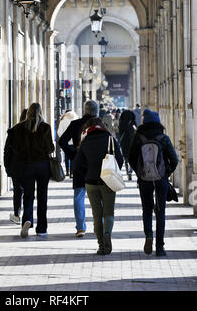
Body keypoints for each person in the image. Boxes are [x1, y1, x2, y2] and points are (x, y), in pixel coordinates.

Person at [128, 109, 178, 256]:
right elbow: (174, 160)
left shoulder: (138, 137)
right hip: (161, 179)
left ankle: (148, 235)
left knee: (147, 209)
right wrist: (165, 173)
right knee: (161, 211)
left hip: (144, 179)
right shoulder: (163, 138)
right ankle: (160, 247)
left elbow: (131, 158)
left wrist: (139, 172)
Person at [73, 117, 123, 255]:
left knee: (96, 215)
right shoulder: (110, 140)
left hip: (91, 182)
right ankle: (107, 233)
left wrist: (87, 172)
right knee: (108, 213)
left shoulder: (85, 142)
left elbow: (77, 165)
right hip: (108, 181)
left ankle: (101, 245)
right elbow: (120, 159)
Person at [4, 103, 54, 238]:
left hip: (26, 166)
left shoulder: (18, 128)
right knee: (42, 197)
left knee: (28, 196)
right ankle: (42, 228)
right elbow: (50, 149)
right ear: (40, 112)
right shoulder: (45, 128)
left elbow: (12, 147)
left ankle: (27, 219)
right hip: (43, 166)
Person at [58, 99, 98, 237]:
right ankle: (100, 225)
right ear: (96, 111)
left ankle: (81, 227)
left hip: (80, 164)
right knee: (98, 196)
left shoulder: (75, 124)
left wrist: (73, 155)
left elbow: (61, 141)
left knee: (79, 196)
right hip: (96, 165)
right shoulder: (100, 125)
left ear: (85, 110)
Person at [4, 108, 28, 224]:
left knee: (17, 191)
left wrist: (7, 166)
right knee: (28, 191)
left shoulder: (13, 131)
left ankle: (17, 214)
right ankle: (27, 215)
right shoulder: (33, 131)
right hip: (29, 165)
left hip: (16, 166)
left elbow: (6, 151)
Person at [57, 110, 79, 176]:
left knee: (66, 157)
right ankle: (72, 172)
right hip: (74, 142)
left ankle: (67, 171)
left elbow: (59, 132)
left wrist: (63, 138)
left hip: (66, 142)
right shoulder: (76, 119)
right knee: (73, 157)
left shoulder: (63, 120)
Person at [118, 109, 137, 180]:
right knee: (132, 157)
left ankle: (127, 172)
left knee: (126, 158)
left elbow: (120, 133)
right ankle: (130, 170)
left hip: (124, 142)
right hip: (132, 142)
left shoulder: (121, 123)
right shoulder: (133, 122)